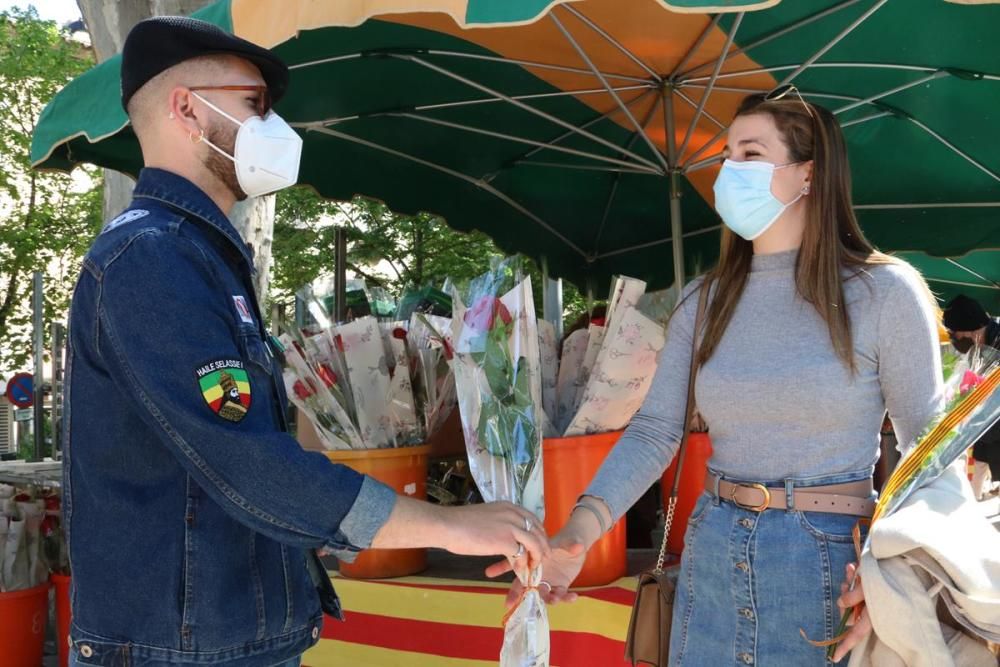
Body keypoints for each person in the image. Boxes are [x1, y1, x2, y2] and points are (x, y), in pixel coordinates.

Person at [63, 17, 549, 667]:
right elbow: (247, 465)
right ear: (186, 108)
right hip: (180, 650)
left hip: (221, 639)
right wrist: (448, 523)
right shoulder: (148, 259)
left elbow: (219, 471)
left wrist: (308, 530)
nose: (274, 128)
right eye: (254, 104)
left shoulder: (198, 258)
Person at [494, 89, 943, 664]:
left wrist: (893, 580)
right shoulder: (704, 300)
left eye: (750, 154)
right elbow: (655, 431)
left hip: (832, 562)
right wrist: (576, 536)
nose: (730, 171)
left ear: (808, 173)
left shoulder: (884, 291)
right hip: (712, 549)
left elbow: (926, 451)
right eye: (726, 156)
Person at [943, 294, 1000, 498]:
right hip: (986, 430)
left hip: (994, 429)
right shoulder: (979, 348)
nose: (953, 339)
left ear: (971, 329)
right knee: (979, 465)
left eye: (954, 333)